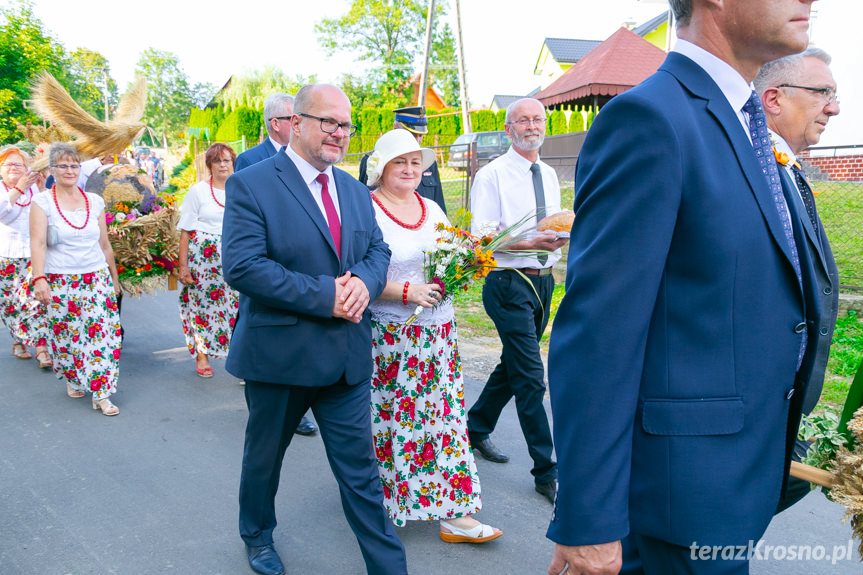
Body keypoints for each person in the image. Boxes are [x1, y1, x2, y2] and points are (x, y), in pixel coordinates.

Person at [546, 0, 821, 573]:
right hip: (672, 507)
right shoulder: (650, 118)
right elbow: (599, 336)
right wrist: (589, 520)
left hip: (734, 485)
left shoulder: (747, 123)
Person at [222, 84, 407, 575]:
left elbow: (378, 253)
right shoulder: (252, 182)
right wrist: (329, 296)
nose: (339, 134)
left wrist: (365, 287)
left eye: (346, 125)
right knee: (265, 460)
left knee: (361, 474)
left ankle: (389, 568)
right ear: (295, 122)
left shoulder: (352, 189)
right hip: (280, 358)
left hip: (345, 359)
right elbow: (243, 267)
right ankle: (257, 535)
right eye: (329, 122)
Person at [366, 129, 502, 542]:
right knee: (392, 418)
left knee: (443, 418)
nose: (410, 170)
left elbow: (451, 259)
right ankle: (390, 496)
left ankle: (452, 510)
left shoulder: (432, 209)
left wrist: (466, 267)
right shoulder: (366, 210)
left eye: (415, 162)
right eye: (399, 162)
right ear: (382, 168)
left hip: (438, 334)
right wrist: (407, 291)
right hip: (392, 337)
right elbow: (358, 273)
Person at [465, 97, 567, 505]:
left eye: (537, 119)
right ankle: (547, 471)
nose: (531, 125)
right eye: (522, 120)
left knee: (513, 364)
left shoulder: (548, 173)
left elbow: (554, 225)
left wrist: (558, 238)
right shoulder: (492, 176)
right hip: (508, 282)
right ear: (509, 129)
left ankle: (475, 427)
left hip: (544, 282)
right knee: (529, 375)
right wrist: (529, 242)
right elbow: (481, 241)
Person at [755, 47, 840, 514]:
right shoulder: (756, 168)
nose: (834, 107)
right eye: (823, 92)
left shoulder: (785, 166)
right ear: (774, 98)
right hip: (752, 395)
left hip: (780, 395)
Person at [231, 92, 317, 436]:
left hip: (306, 261)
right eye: (292, 117)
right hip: (265, 259)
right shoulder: (250, 160)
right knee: (263, 326)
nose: (299, 123)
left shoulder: (311, 159)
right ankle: (270, 403)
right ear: (276, 123)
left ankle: (300, 404)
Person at [30, 143, 122, 416]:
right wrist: (39, 279)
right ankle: (72, 376)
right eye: (63, 165)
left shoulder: (94, 201)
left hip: (96, 279)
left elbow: (105, 244)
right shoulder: (42, 202)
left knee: (102, 337)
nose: (69, 170)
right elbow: (37, 243)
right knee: (67, 336)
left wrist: (114, 279)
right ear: (51, 170)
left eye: (74, 165)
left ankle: (102, 392)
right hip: (61, 280)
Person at [176, 143, 240, 378]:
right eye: (217, 161)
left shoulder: (241, 188)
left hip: (235, 256)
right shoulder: (198, 191)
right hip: (203, 260)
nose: (223, 165)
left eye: (227, 160)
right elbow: (185, 231)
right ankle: (202, 354)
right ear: (209, 165)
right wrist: (183, 267)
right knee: (202, 306)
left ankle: (239, 358)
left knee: (238, 307)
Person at [0, 146, 51, 368]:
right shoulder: (6, 190)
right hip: (5, 257)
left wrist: (42, 185)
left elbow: (48, 213)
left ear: (27, 168)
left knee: (36, 302)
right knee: (11, 304)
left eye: (18, 164)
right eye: (8, 164)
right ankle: (18, 339)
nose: (13, 167)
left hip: (32, 257)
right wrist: (19, 189)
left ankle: (41, 349)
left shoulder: (34, 191)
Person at [359, 105, 447, 214]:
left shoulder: (429, 163)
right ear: (395, 128)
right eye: (413, 134)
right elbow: (364, 204)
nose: (418, 140)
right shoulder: (374, 161)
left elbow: (439, 203)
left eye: (421, 135)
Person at [234, 93, 294, 172]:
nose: (299, 125)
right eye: (293, 119)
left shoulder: (305, 157)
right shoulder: (249, 161)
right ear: (275, 124)